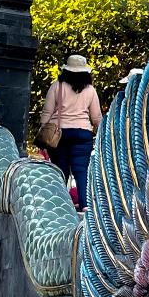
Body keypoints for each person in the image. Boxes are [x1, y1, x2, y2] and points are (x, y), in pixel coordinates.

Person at [39, 54, 102, 211]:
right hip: (82, 134)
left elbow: (47, 112)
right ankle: (85, 204)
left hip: (59, 134)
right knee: (81, 171)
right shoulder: (91, 90)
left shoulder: (57, 86)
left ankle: (60, 205)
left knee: (61, 170)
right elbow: (96, 117)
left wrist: (43, 128)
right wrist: (101, 130)